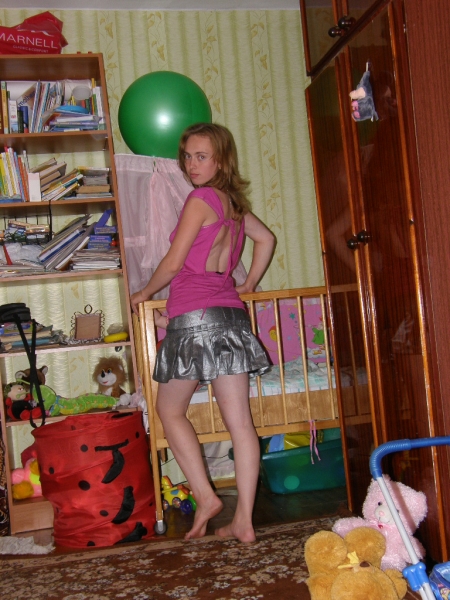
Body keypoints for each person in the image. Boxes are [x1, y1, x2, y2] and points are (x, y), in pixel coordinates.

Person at [131, 122, 275, 543]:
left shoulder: (199, 200)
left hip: (195, 320)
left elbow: (174, 263)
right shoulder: (234, 207)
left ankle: (207, 497)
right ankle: (243, 520)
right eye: (188, 156)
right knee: (240, 423)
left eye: (201, 157)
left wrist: (144, 293)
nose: (191, 165)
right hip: (230, 318)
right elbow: (266, 239)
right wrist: (247, 284)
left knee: (169, 411)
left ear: (220, 160)